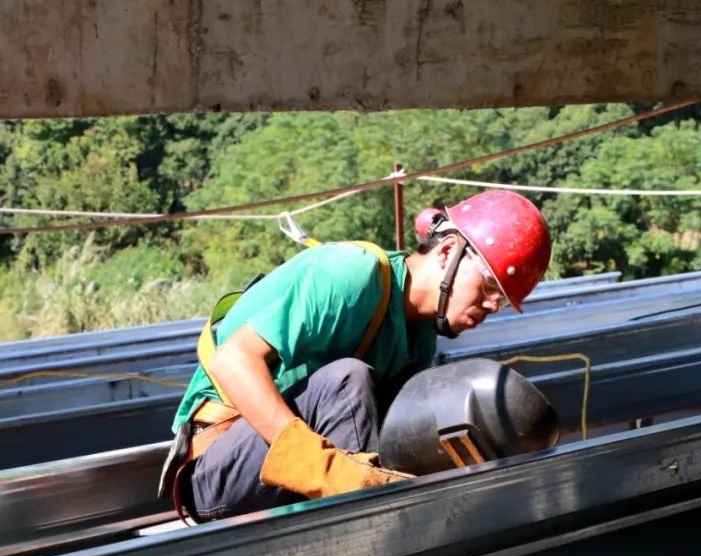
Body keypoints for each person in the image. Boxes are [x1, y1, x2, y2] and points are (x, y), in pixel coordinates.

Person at [160, 190, 552, 521]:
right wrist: (326, 470)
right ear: (448, 250)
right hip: (217, 475)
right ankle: (363, 525)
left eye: (502, 302)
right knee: (347, 378)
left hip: (292, 484)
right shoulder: (350, 276)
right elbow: (233, 360)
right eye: (488, 286)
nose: (490, 306)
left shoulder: (419, 339)